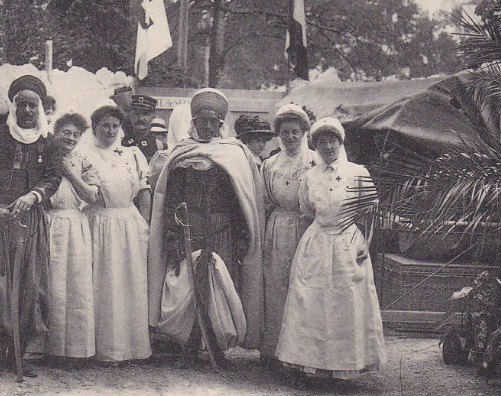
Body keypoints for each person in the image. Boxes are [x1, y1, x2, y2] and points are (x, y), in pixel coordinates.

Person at [147, 88, 265, 363]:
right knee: (189, 286)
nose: (209, 126)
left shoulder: (233, 154)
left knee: (218, 286)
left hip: (221, 229)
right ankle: (189, 344)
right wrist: (173, 235)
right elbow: (170, 199)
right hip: (190, 227)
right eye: (204, 120)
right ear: (194, 121)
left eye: (215, 122)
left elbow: (241, 200)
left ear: (221, 124)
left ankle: (216, 346)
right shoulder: (180, 154)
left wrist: (242, 235)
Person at [0, 74, 62, 382]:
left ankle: (19, 353)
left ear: (41, 108)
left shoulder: (49, 142)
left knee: (29, 286)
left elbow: (53, 177)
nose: (28, 111)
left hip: (30, 222)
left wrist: (33, 196)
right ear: (14, 106)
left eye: (33, 105)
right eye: (22, 104)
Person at [275, 117, 388, 379]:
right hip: (316, 243)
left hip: (349, 242)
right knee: (310, 301)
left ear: (340, 142)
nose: (328, 146)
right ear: (315, 146)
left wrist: (367, 244)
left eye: (332, 141)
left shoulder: (357, 172)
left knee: (346, 302)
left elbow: (371, 211)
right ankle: (310, 364)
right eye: (322, 142)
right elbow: (306, 208)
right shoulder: (309, 176)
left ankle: (345, 367)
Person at [83, 102, 152, 363]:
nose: (110, 131)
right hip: (99, 222)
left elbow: (144, 191)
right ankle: (101, 348)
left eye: (115, 126)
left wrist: (143, 224)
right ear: (95, 128)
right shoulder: (85, 154)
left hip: (128, 222)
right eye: (105, 126)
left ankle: (130, 347)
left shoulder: (132, 154)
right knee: (102, 282)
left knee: (129, 282)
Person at [258, 104, 319, 367]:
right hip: (279, 226)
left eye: (295, 132)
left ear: (304, 132)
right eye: (285, 132)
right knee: (276, 286)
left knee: (304, 287)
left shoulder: (316, 161)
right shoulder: (271, 164)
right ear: (278, 135)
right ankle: (273, 349)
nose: (290, 137)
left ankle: (302, 352)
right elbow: (264, 200)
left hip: (307, 227)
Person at [44, 111, 99, 364]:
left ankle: (75, 350)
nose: (71, 137)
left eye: (76, 134)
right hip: (48, 222)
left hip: (75, 225)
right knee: (51, 285)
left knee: (76, 286)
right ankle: (45, 349)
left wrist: (69, 171)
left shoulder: (82, 161)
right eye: (66, 132)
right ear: (56, 133)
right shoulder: (43, 157)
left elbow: (91, 196)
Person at [122, 94, 161, 161]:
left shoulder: (160, 147)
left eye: (145, 114)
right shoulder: (121, 144)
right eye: (136, 114)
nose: (140, 118)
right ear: (130, 115)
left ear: (153, 117)